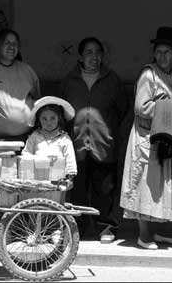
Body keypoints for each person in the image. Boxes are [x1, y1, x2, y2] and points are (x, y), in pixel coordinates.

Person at [120, 26, 172, 250]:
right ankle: (143, 235)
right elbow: (141, 107)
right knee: (144, 185)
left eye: (167, 52)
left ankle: (154, 231)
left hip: (168, 139)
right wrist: (171, 108)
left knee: (160, 187)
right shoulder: (147, 74)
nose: (162, 56)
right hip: (147, 137)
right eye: (159, 52)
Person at [61, 37, 128, 244]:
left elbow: (123, 109)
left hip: (104, 143)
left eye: (98, 52)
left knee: (105, 189)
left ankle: (105, 226)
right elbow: (61, 111)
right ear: (81, 56)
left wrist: (109, 131)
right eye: (89, 52)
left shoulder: (112, 80)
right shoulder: (69, 80)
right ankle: (78, 227)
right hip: (77, 144)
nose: (94, 56)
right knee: (78, 189)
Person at [0, 29, 41, 144]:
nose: (11, 47)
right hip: (0, 140)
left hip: (29, 138)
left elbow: (38, 101)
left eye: (15, 44)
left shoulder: (27, 70)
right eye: (7, 43)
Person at [22, 96, 77, 181]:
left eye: (52, 118)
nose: (48, 122)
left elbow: (70, 158)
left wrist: (70, 174)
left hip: (58, 181)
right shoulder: (35, 136)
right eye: (44, 119)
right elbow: (26, 154)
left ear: (59, 118)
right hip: (37, 180)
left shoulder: (64, 139)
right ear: (39, 120)